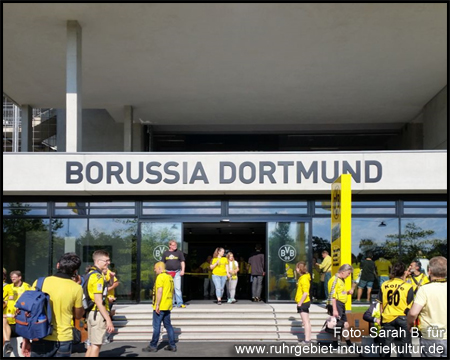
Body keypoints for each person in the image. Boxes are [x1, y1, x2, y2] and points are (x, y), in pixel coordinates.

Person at [21, 252, 84, 357]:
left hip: (40, 335)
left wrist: (26, 340)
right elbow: (78, 315)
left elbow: (28, 311)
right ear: (75, 271)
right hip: (63, 338)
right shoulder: (76, 288)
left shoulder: (39, 282)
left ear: (58, 265)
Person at [407, 256, 447, 358]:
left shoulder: (425, 289)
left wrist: (410, 324)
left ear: (429, 271)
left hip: (430, 336)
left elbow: (413, 313)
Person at [377, 262, 414, 358]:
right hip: (402, 317)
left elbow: (381, 304)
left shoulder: (384, 285)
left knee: (386, 345)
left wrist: (381, 317)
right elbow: (410, 306)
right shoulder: (408, 286)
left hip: (388, 317)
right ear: (403, 272)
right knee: (405, 345)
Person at [84, 250, 115, 357]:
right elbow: (98, 300)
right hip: (97, 314)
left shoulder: (90, 274)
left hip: (91, 312)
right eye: (106, 260)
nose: (108, 263)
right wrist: (108, 319)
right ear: (98, 261)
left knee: (92, 345)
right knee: (96, 346)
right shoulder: (98, 277)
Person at [142, 261, 176, 353]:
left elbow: (159, 291)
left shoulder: (160, 277)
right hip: (167, 305)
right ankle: (172, 345)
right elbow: (172, 291)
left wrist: (157, 304)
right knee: (168, 326)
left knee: (156, 326)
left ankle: (153, 346)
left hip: (160, 306)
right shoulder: (169, 277)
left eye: (155, 268)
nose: (154, 270)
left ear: (160, 268)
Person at [327, 264, 354, 350]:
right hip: (337, 304)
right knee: (342, 324)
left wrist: (347, 292)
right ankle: (346, 344)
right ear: (342, 272)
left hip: (340, 304)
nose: (349, 275)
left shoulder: (341, 280)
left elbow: (339, 292)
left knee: (342, 325)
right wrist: (335, 309)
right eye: (348, 273)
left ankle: (338, 343)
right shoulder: (335, 280)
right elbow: (333, 296)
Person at [162, 240, 186, 308]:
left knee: (177, 288)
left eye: (176, 245)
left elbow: (182, 262)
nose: (175, 246)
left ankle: (180, 303)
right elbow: (162, 263)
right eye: (173, 245)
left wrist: (183, 270)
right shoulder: (165, 253)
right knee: (170, 288)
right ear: (170, 245)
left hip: (177, 272)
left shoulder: (179, 253)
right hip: (167, 272)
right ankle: (171, 303)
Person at [295, 261, 311, 344]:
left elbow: (305, 292)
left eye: (297, 268)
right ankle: (307, 339)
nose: (296, 269)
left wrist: (300, 303)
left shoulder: (304, 279)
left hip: (303, 302)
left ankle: (307, 340)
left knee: (305, 322)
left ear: (299, 268)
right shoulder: (303, 278)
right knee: (306, 322)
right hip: (305, 301)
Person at [3, 268, 14, 356]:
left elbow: (8, 302)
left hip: (6, 313)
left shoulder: (8, 287)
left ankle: (7, 343)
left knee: (4, 321)